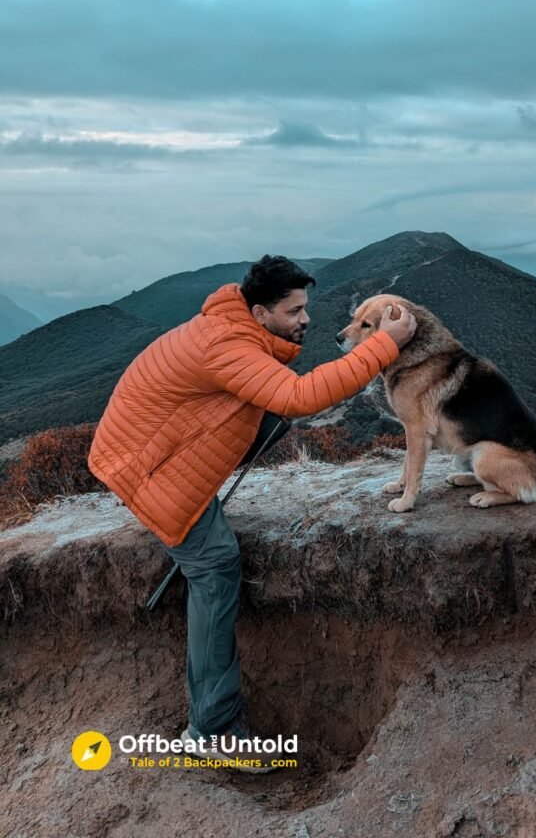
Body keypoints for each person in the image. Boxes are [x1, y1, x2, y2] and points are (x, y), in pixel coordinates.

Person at [87, 254, 416, 772]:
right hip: (145, 471)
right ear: (260, 313)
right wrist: (384, 345)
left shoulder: (231, 326)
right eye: (295, 311)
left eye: (306, 308)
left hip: (148, 451)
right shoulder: (226, 344)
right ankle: (211, 730)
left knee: (268, 417)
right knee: (215, 566)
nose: (306, 319)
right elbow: (302, 395)